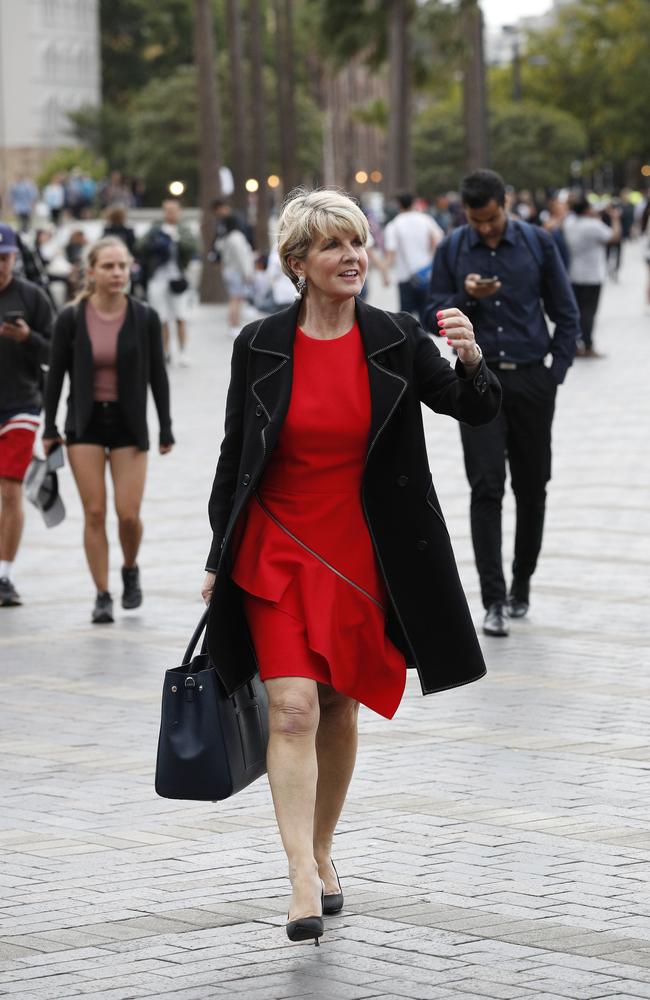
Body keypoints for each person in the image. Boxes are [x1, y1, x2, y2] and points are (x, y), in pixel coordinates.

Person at [201, 188, 501, 946]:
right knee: (294, 705)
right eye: (333, 246)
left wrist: (468, 354)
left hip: (364, 552)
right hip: (276, 547)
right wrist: (218, 555)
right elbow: (236, 456)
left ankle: (324, 847)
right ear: (298, 262)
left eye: (358, 243)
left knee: (338, 705)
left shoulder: (393, 337)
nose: (352, 257)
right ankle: (300, 872)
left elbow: (473, 408)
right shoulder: (261, 343)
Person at [426, 169, 581, 637]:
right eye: (477, 221)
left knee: (532, 488)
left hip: (533, 379)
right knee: (486, 487)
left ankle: (522, 586)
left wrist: (554, 374)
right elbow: (434, 311)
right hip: (478, 382)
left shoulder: (537, 242)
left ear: (505, 204)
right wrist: (465, 296)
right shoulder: (453, 248)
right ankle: (493, 599)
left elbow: (566, 313)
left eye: (492, 218)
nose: (486, 228)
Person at [42, 237, 174, 624]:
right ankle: (102, 594)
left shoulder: (144, 316)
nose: (117, 273)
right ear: (91, 272)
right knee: (95, 512)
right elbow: (55, 378)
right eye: (108, 267)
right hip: (84, 423)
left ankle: (130, 568)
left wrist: (165, 426)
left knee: (128, 514)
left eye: (122, 266)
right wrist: (49, 426)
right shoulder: (70, 317)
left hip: (129, 424)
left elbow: (158, 376)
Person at [0, 224, 54, 606]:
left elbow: (55, 352)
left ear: (15, 257)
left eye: (3, 257)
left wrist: (27, 338)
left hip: (21, 404)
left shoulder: (32, 297)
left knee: (9, 490)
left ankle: (4, 575)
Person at [139, 199, 196, 365]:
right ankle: (164, 352)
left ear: (179, 211)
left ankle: (183, 351)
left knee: (180, 316)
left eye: (173, 210)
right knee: (161, 317)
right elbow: (141, 245)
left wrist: (176, 239)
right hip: (157, 278)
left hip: (177, 279)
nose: (170, 214)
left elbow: (193, 247)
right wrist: (156, 239)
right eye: (167, 210)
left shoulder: (184, 229)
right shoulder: (156, 228)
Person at [564, 197, 620, 358]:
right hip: (592, 276)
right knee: (588, 312)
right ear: (587, 209)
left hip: (574, 274)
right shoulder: (593, 226)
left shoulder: (570, 223)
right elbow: (614, 237)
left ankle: (574, 344)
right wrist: (615, 219)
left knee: (576, 312)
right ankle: (587, 345)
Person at [383, 192, 443, 323]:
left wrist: (385, 273)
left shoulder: (394, 225)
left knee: (405, 319)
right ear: (413, 203)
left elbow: (391, 252)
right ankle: (425, 341)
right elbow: (438, 240)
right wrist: (431, 259)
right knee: (426, 316)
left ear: (399, 205)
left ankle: (409, 343)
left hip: (404, 276)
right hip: (425, 274)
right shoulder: (426, 219)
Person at [218, 214, 255, 338]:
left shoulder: (226, 237)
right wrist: (247, 272)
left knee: (234, 299)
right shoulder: (237, 237)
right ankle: (234, 325)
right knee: (236, 299)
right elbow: (242, 257)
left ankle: (233, 325)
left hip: (229, 271)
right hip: (236, 272)